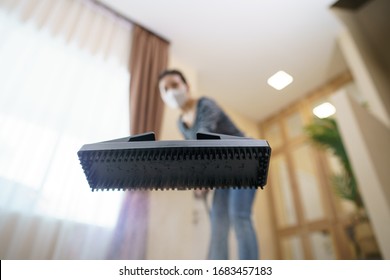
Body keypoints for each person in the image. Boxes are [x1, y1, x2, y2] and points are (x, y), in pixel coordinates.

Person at [158, 69, 259, 260]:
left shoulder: (205, 104)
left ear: (186, 86)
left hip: (245, 158)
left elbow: (204, 137)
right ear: (162, 96)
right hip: (224, 171)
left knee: (239, 216)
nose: (171, 91)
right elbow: (196, 150)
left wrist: (200, 175)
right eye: (165, 89)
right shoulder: (181, 123)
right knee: (218, 223)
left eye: (174, 85)